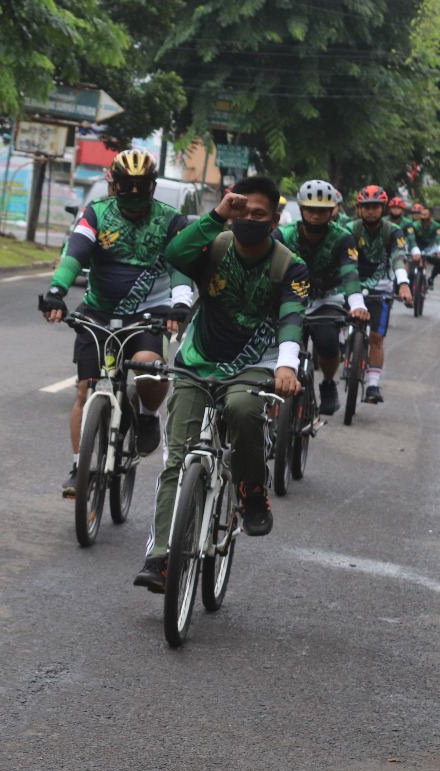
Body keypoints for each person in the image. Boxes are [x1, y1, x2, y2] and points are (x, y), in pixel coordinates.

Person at [134, 176, 307, 592]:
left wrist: (287, 366)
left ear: (275, 219)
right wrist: (215, 216)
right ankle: (160, 557)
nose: (248, 219)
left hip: (255, 366)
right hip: (198, 361)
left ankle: (250, 489)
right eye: (242, 210)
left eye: (258, 214)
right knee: (177, 460)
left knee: (245, 410)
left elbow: (291, 318)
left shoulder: (289, 265)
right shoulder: (215, 244)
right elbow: (175, 253)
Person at [39, 148, 192, 497]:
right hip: (98, 312)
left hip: (150, 314)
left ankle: (149, 414)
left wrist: (180, 304)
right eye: (127, 184)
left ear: (152, 186)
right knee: (84, 389)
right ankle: (81, 465)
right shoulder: (96, 214)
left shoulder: (171, 219)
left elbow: (181, 266)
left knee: (149, 368)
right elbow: (75, 253)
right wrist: (56, 291)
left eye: (141, 185)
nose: (134, 193)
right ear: (114, 185)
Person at [274, 179, 369, 415]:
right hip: (288, 298)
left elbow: (350, 273)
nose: (316, 216)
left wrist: (357, 304)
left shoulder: (343, 237)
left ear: (332, 212)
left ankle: (328, 382)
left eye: (322, 211)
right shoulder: (282, 234)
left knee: (327, 341)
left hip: (327, 298)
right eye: (311, 209)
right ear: (302, 209)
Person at [351, 185, 411, 404]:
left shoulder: (393, 231)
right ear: (359, 209)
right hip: (351, 286)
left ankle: (373, 385)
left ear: (383, 209)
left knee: (376, 337)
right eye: (366, 207)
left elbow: (398, 256)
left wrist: (403, 284)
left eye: (375, 207)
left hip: (382, 289)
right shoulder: (350, 228)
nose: (370, 211)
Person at [412, 204, 439, 287]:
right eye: (421, 215)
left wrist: (439, 250)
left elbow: (438, 238)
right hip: (418, 245)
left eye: (425, 215)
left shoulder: (436, 226)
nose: (423, 217)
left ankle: (431, 279)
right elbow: (411, 237)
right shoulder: (415, 225)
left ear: (430, 216)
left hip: (431, 247)